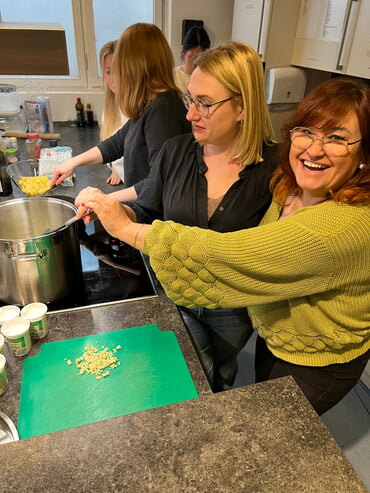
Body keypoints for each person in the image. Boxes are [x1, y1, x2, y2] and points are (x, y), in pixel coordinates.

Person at [75, 76, 370, 415]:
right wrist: (120, 212)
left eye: (337, 138)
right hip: (277, 336)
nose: (315, 149)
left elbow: (231, 253)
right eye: (307, 131)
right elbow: (153, 203)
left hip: (319, 359)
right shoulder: (290, 184)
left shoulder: (338, 223)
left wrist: (125, 228)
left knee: (266, 429)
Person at [76, 41, 278, 392]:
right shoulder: (176, 152)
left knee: (220, 374)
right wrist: (113, 211)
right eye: (190, 99)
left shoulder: (275, 167)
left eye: (205, 103)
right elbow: (148, 209)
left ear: (243, 106)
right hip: (175, 293)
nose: (190, 114)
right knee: (185, 377)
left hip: (233, 306)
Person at [50, 23, 191, 190]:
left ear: (135, 66)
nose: (117, 73)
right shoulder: (150, 104)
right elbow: (116, 144)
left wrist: (106, 200)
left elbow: (158, 185)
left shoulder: (163, 111)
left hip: (154, 215)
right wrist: (73, 162)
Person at [99, 40, 128, 185]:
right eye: (109, 72)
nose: (115, 79)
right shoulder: (110, 108)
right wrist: (114, 166)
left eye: (119, 71)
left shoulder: (142, 109)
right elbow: (109, 145)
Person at [173, 25, 210, 93]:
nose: (196, 62)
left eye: (201, 57)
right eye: (192, 56)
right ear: (183, 51)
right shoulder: (173, 76)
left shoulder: (211, 76)